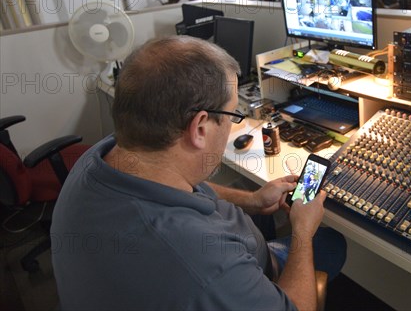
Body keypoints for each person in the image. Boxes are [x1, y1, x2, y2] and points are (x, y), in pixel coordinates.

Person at [51, 36, 346, 310]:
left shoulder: (102, 157)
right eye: (233, 114)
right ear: (200, 128)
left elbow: (182, 188)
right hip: (247, 273)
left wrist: (253, 199)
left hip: (231, 255)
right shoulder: (199, 265)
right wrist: (302, 232)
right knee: (333, 243)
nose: (233, 125)